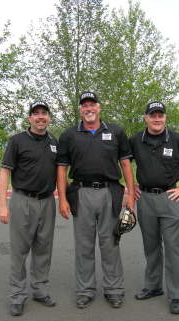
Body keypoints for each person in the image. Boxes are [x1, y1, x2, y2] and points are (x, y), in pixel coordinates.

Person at [56, 91, 135, 309]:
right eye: (84, 105)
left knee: (110, 243)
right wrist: (61, 198)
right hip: (81, 194)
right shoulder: (69, 135)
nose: (88, 108)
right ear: (80, 110)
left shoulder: (116, 131)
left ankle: (114, 289)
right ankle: (85, 290)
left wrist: (130, 192)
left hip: (110, 193)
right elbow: (61, 169)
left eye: (92, 104)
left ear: (99, 107)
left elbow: (126, 164)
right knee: (84, 246)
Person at [129, 101, 179, 314]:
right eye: (153, 115)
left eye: (160, 115)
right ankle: (153, 287)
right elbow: (123, 161)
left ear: (165, 118)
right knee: (151, 248)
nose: (157, 119)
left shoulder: (177, 139)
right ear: (146, 118)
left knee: (172, 250)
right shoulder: (136, 140)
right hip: (145, 199)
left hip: (170, 198)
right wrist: (130, 187)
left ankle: (176, 295)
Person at [0, 101, 58, 316]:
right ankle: (17, 295)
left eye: (44, 114)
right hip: (23, 200)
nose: (40, 117)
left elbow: (60, 172)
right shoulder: (17, 141)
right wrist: (3, 204)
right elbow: (5, 172)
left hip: (47, 201)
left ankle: (40, 290)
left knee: (44, 248)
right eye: (36, 114)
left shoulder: (54, 142)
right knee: (20, 250)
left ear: (49, 118)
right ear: (30, 118)